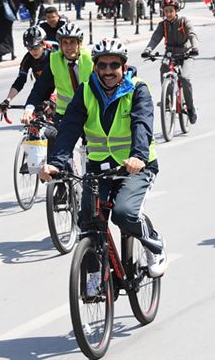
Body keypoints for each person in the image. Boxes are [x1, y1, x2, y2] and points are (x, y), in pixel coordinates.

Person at [38, 38, 167, 278]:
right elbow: (70, 128)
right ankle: (93, 282)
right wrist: (55, 163)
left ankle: (153, 242)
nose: (108, 71)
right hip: (99, 167)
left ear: (124, 68)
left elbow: (142, 124)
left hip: (136, 167)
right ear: (95, 67)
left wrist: (138, 156)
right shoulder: (86, 91)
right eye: (103, 65)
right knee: (88, 222)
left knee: (124, 213)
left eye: (114, 65)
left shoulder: (138, 89)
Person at [142, 0, 200, 123]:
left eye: (171, 11)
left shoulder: (184, 21)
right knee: (163, 68)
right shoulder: (162, 25)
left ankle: (190, 108)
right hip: (170, 53)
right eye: (165, 11)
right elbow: (155, 38)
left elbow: (192, 34)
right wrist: (148, 50)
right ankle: (167, 99)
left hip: (186, 53)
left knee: (184, 78)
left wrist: (195, 47)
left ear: (176, 11)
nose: (168, 14)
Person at [22, 22, 92, 126]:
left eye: (72, 42)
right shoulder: (54, 60)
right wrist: (29, 109)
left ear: (80, 43)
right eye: (65, 43)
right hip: (65, 114)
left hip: (91, 113)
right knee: (50, 133)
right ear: (60, 44)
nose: (68, 47)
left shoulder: (91, 60)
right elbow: (40, 87)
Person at [0, 26, 52, 114]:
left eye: (35, 47)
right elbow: (20, 81)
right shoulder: (28, 58)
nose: (33, 51)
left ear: (43, 44)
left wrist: (53, 99)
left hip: (58, 90)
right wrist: (7, 100)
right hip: (41, 90)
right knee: (31, 116)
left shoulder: (52, 55)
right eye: (29, 48)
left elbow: (62, 80)